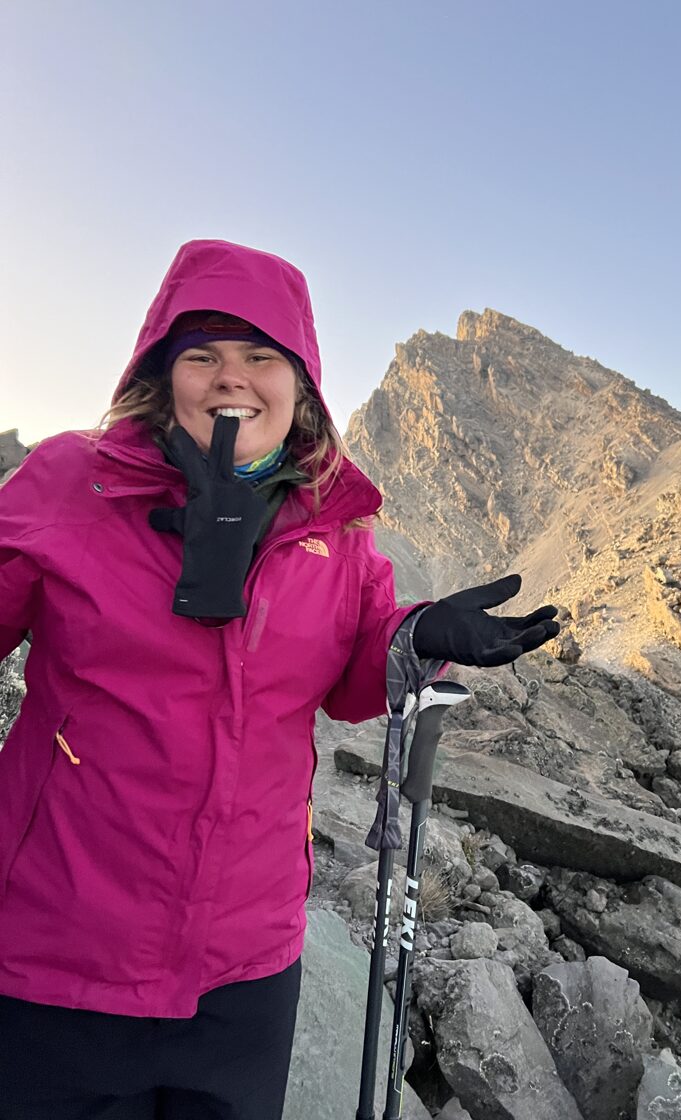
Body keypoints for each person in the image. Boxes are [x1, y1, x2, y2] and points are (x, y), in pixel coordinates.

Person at [0, 239, 560, 1119]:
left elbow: (351, 673)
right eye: (203, 355)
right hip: (61, 952)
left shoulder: (330, 528)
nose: (233, 377)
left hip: (245, 969)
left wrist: (419, 635)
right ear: (162, 375)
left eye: (261, 356)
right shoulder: (74, 483)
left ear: (300, 385)